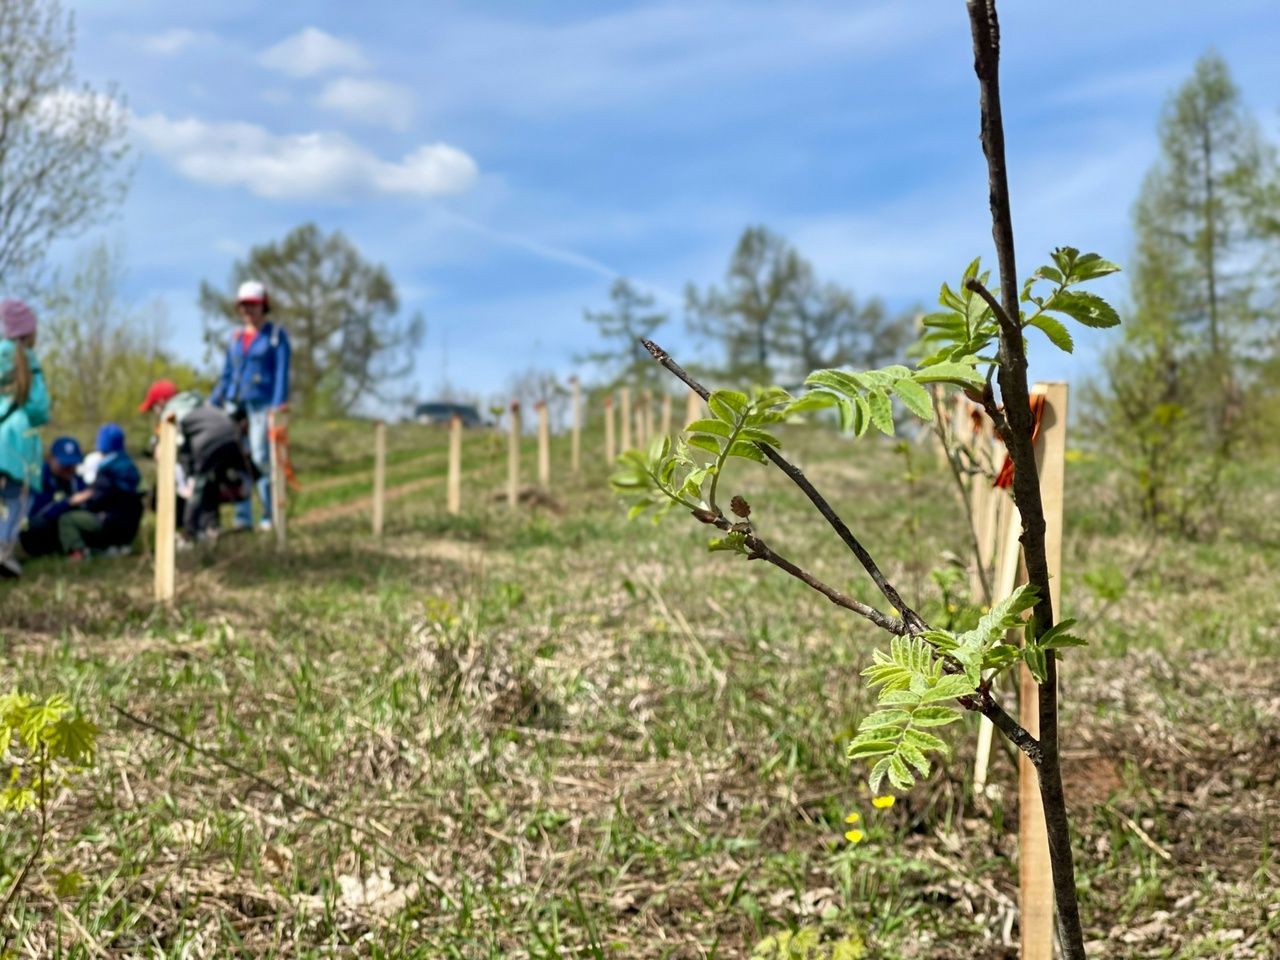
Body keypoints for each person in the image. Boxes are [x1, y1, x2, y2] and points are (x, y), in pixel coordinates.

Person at [209, 281, 290, 532]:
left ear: (263, 306)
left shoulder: (275, 336)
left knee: (260, 457)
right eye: (244, 305)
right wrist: (212, 403)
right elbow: (227, 373)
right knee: (236, 460)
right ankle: (243, 515)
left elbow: (281, 373)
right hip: (235, 404)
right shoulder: (235, 338)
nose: (248, 310)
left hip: (262, 404)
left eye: (253, 305)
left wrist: (277, 406)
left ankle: (269, 513)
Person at [139, 379, 249, 543]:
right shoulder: (196, 401)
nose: (154, 412)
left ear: (161, 402)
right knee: (210, 482)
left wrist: (161, 449)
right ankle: (211, 527)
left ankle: (189, 534)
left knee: (194, 485)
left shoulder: (171, 411)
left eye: (154, 406)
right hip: (233, 436)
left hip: (207, 443)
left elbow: (172, 445)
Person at [0, 299, 49, 579]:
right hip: (18, 442)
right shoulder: (27, 361)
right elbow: (39, 407)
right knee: (17, 499)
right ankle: (4, 550)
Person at [58, 423, 143, 560]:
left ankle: (78, 553)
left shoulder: (108, 470)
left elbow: (96, 500)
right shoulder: (128, 466)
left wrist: (79, 502)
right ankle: (113, 547)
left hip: (110, 522)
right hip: (129, 524)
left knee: (67, 519)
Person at [19, 437, 85, 558]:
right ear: (50, 459)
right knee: (36, 524)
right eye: (64, 464)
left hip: (64, 528)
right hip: (38, 533)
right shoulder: (39, 479)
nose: (68, 469)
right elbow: (38, 513)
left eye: (72, 464)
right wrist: (69, 502)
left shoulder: (76, 480)